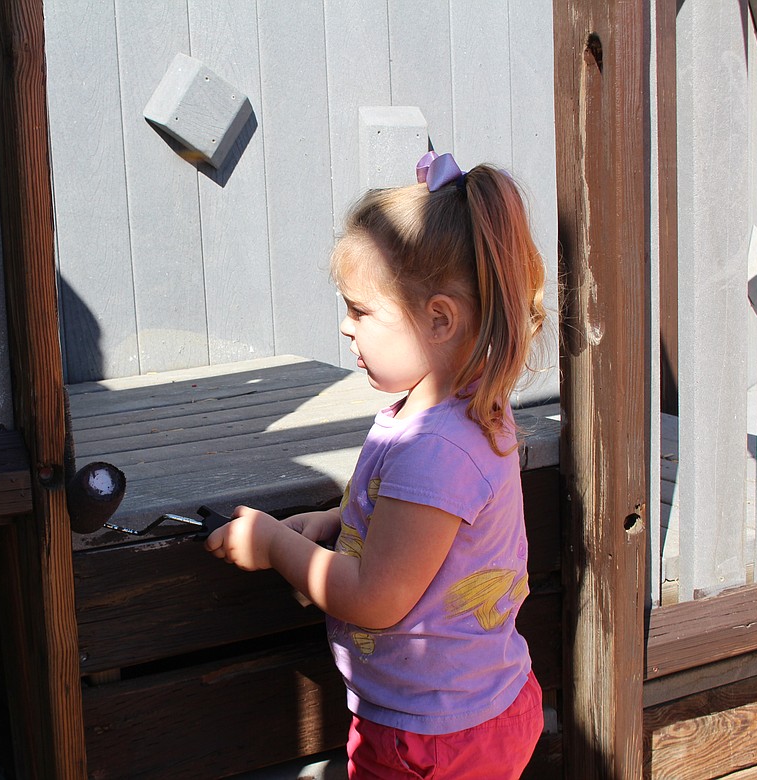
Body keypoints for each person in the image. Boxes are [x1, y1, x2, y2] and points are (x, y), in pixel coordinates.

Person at [204, 151, 547, 779]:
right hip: (474, 708)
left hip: (432, 741)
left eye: (361, 311)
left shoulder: (435, 450)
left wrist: (275, 544)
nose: (344, 326)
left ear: (439, 319)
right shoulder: (454, 412)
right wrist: (338, 521)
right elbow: (428, 531)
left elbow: (377, 597)